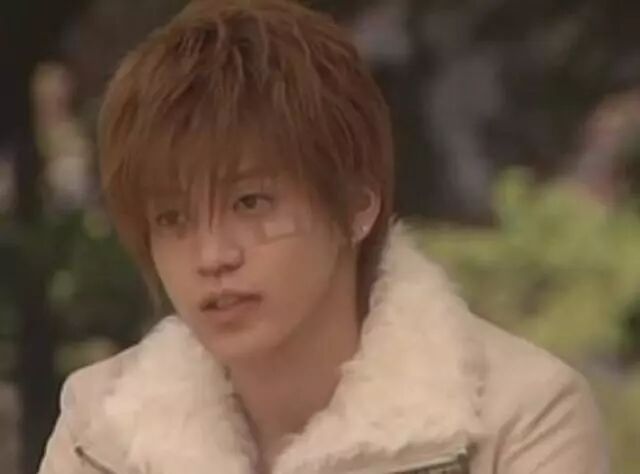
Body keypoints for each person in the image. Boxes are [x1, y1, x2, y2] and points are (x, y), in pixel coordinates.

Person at [38, 1, 609, 473]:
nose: (213, 257)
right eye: (172, 219)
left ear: (357, 206)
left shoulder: (522, 419)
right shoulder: (101, 433)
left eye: (250, 203)